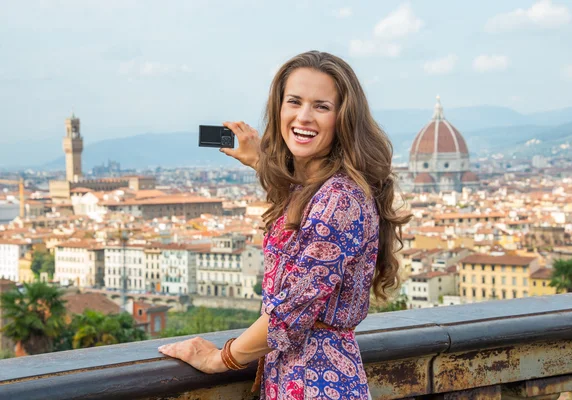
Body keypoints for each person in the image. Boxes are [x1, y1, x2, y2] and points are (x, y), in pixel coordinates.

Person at [158, 50, 411, 399]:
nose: (303, 116)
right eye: (294, 102)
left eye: (321, 106)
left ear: (344, 117)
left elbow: (292, 309)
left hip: (314, 383)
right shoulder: (322, 190)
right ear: (278, 108)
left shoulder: (339, 200)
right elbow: (301, 210)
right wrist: (262, 160)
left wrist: (221, 358)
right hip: (303, 378)